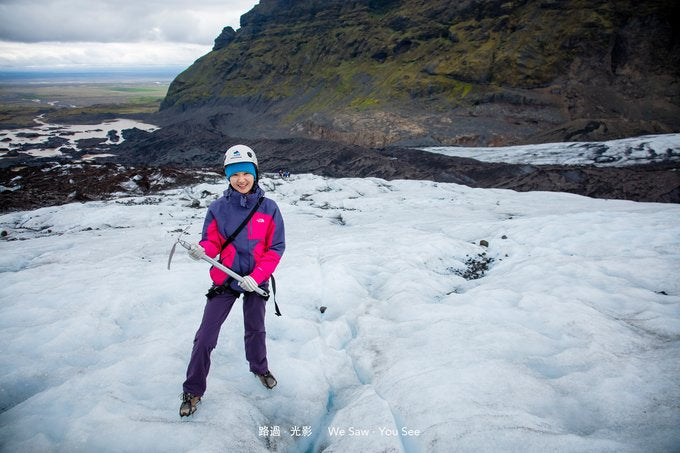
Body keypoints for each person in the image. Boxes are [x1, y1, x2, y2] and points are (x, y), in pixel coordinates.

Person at [179, 144, 285, 417]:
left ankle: (259, 368)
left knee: (255, 329)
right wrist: (201, 251)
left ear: (255, 174)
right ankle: (193, 389)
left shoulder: (269, 209)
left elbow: (275, 248)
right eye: (234, 174)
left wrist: (257, 277)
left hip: (254, 281)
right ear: (227, 176)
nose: (241, 179)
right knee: (205, 336)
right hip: (226, 279)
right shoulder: (217, 208)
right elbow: (211, 241)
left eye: (246, 173)